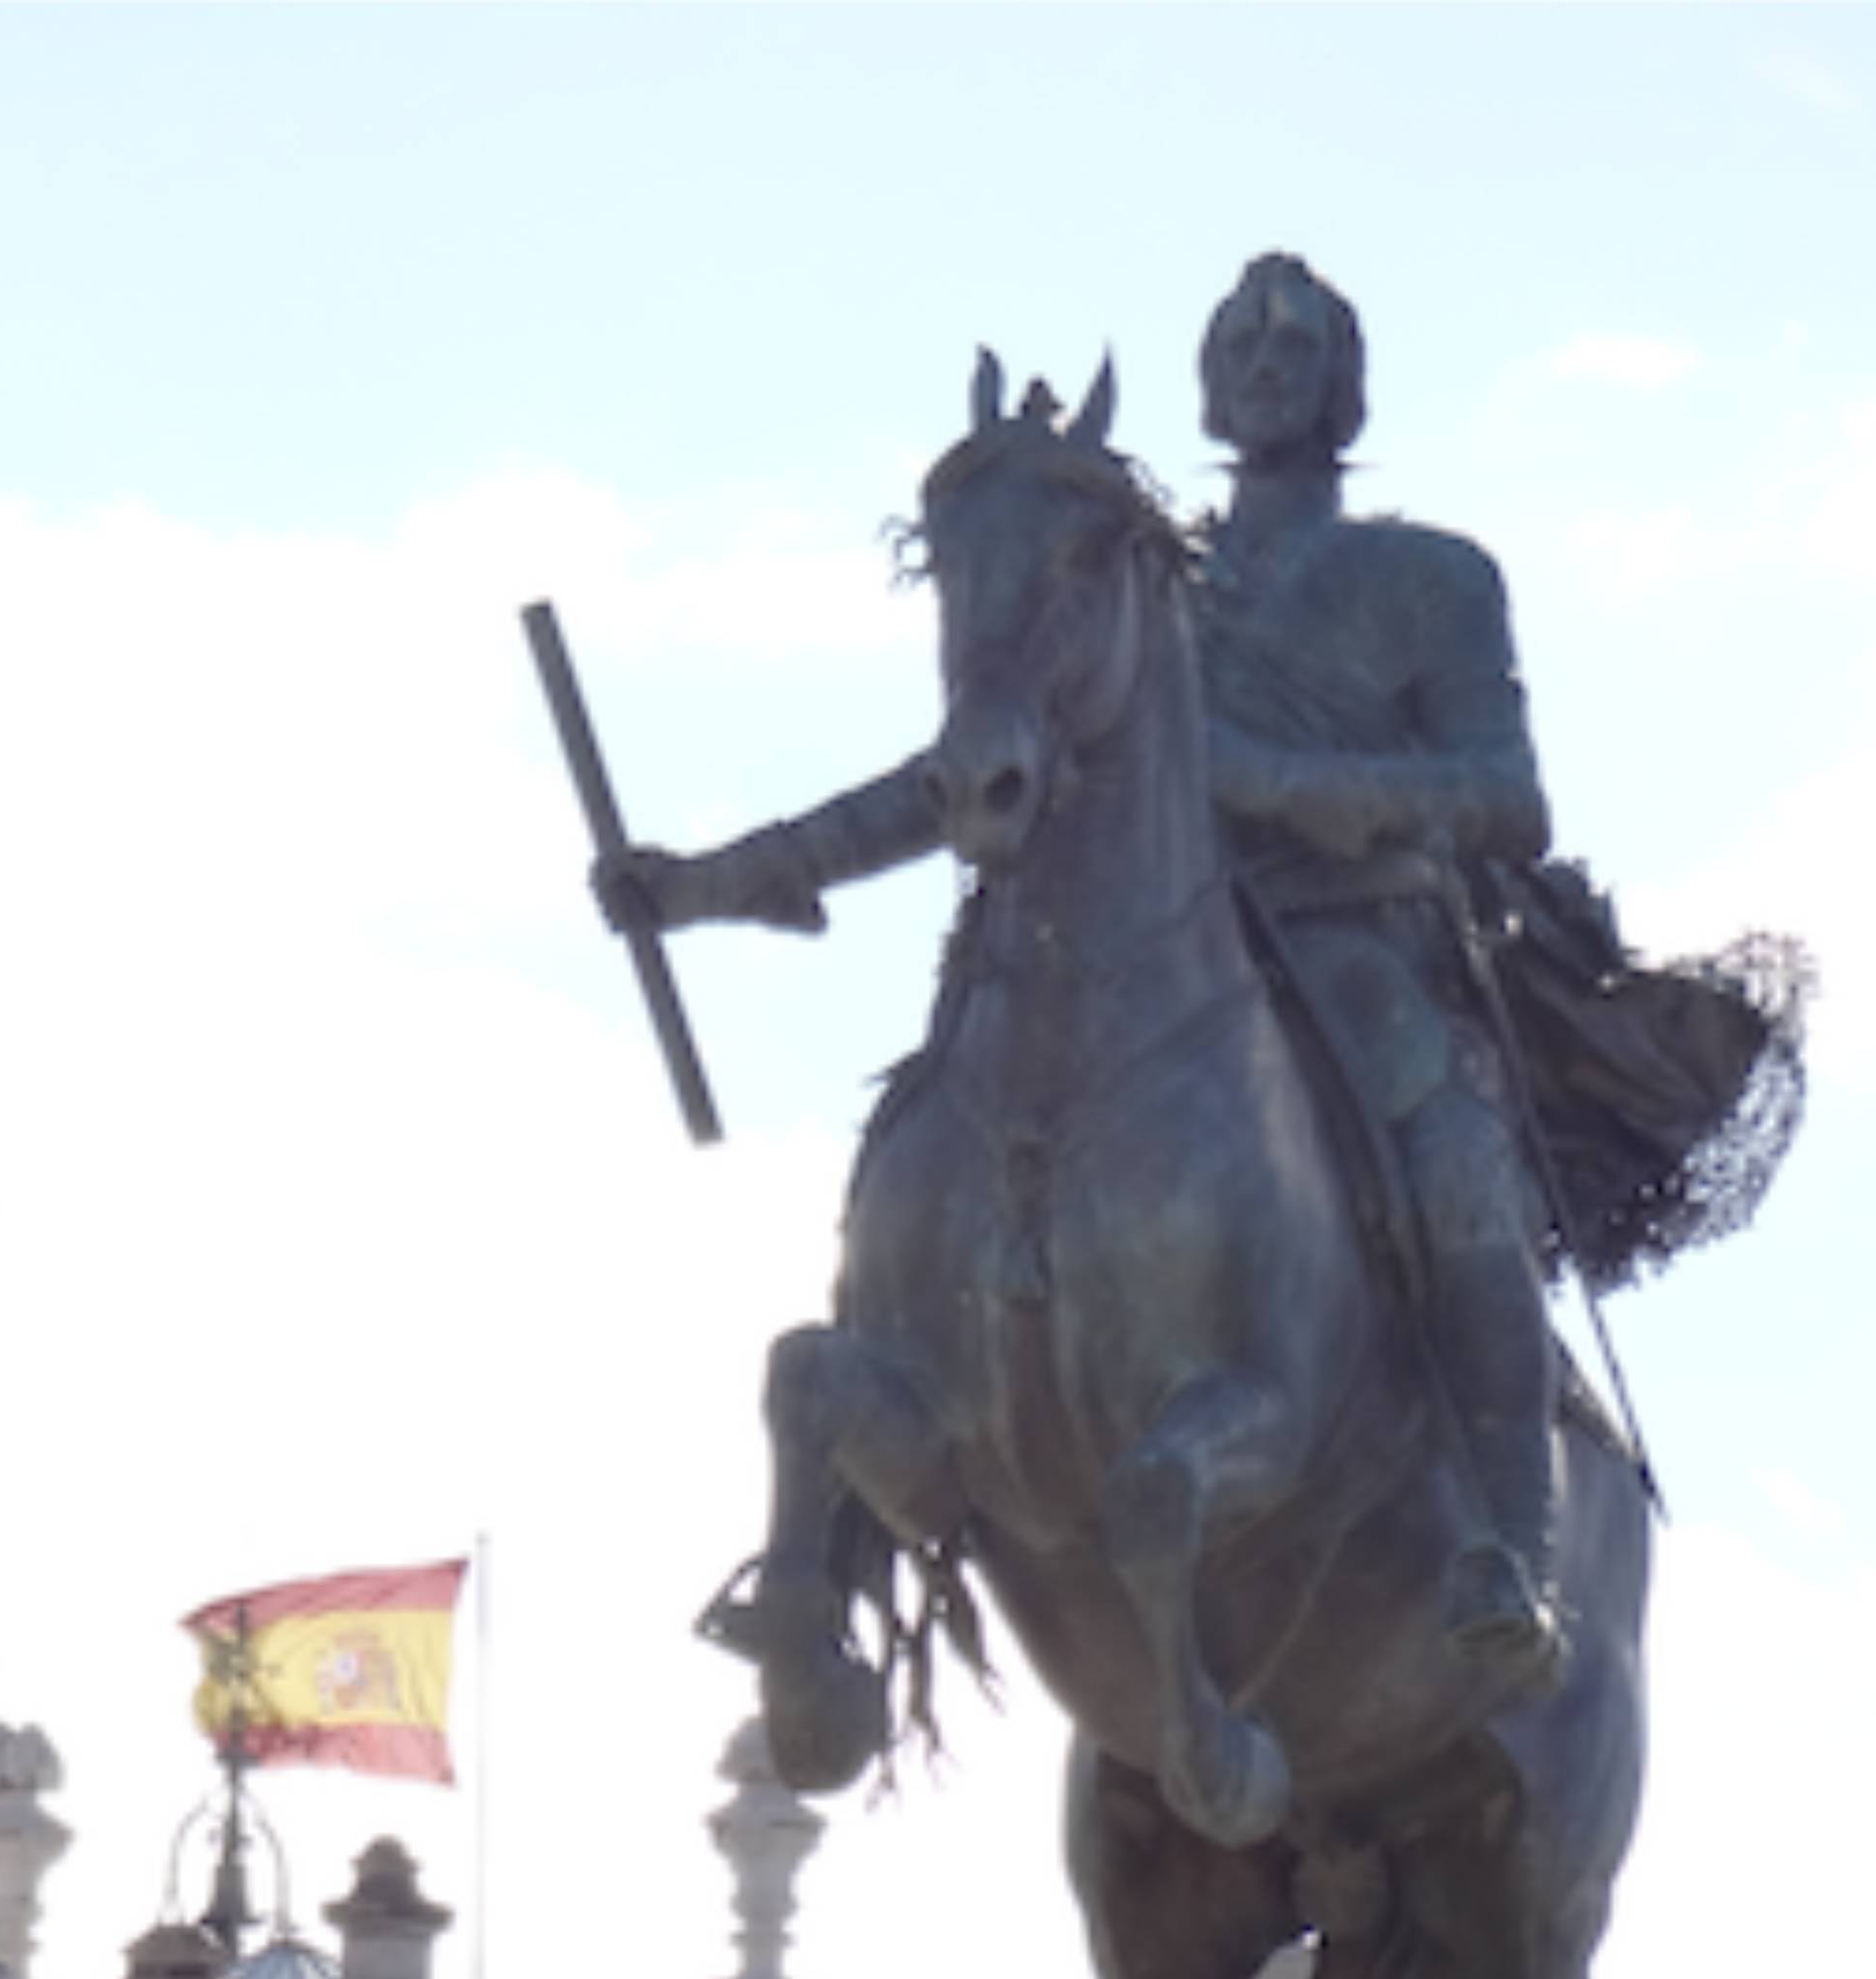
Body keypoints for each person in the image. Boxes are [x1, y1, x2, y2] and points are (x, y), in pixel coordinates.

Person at [606, 257, 1606, 1693]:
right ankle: (844, 1543)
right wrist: (714, 882)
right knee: (934, 1144)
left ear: (1343, 380)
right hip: (1130, 958)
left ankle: (1508, 1551)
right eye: (1239, 337)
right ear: (1205, 382)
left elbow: (1507, 798)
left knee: (1453, 1165)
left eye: (1295, 338)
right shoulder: (1130, 580)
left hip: (1353, 947)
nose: (1265, 357)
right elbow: (954, 771)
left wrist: (1279, 783)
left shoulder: (1429, 577)